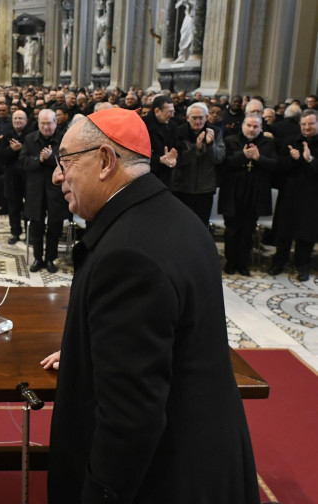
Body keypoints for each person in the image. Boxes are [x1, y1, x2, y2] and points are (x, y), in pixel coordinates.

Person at [46, 108, 259, 503]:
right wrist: (96, 350)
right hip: (206, 447)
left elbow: (130, 419)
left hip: (167, 475)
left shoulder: (127, 256)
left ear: (106, 161)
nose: (58, 175)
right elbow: (159, 339)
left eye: (66, 162)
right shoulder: (172, 216)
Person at [218, 114, 278, 275]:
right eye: (249, 126)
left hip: (255, 194)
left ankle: (242, 263)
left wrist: (259, 158)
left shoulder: (268, 143)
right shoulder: (231, 141)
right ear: (243, 125)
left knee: (247, 232)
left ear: (261, 128)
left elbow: (275, 165)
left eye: (256, 127)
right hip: (233, 193)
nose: (252, 129)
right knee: (232, 231)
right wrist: (243, 156)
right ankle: (230, 262)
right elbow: (223, 165)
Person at [269, 109, 318, 281]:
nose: (307, 127)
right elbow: (280, 168)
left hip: (312, 196)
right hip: (290, 193)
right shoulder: (291, 141)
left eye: (311, 123)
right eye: (304, 124)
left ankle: (302, 266)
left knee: (306, 234)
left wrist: (309, 160)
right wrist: (293, 159)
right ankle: (279, 262)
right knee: (284, 231)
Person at [19, 109, 69, 273]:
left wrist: (51, 158)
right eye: (43, 123)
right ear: (38, 123)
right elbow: (23, 162)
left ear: (56, 122)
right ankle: (38, 258)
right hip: (35, 191)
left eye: (49, 123)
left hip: (56, 191)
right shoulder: (30, 139)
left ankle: (50, 259)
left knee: (55, 227)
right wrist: (39, 159)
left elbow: (68, 163)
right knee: (36, 228)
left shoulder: (64, 139)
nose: (46, 127)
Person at [172, 102, 225, 224]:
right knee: (180, 224)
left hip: (205, 188)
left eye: (201, 117)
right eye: (194, 118)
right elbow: (177, 160)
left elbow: (219, 158)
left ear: (206, 117)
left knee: (201, 225)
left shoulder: (215, 132)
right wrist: (196, 148)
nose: (198, 121)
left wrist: (210, 145)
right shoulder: (178, 132)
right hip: (181, 187)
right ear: (187, 118)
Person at [0, 110, 31, 244]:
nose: (18, 121)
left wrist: (21, 148)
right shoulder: (8, 135)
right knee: (13, 207)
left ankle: (30, 235)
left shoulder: (31, 134)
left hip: (28, 176)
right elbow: (0, 156)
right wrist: (12, 150)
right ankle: (15, 232)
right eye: (15, 118)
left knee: (29, 208)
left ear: (26, 120)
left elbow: (32, 154)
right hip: (12, 177)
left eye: (20, 119)